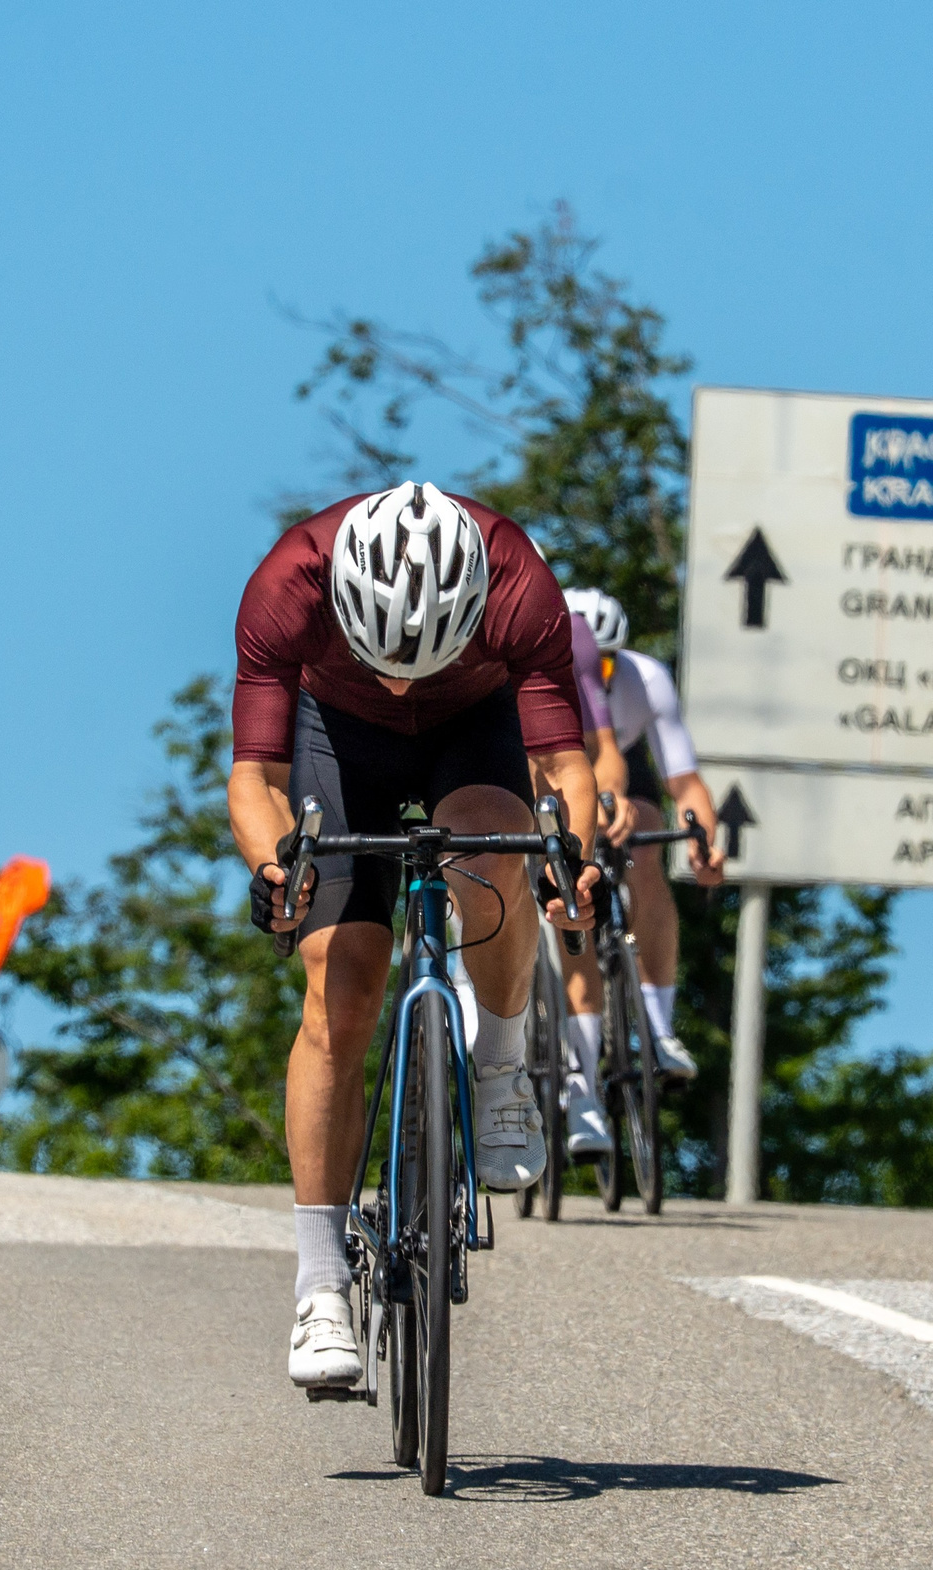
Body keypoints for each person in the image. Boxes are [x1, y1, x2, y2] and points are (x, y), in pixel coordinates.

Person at [227, 481, 601, 1388]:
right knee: (341, 987)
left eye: (421, 656)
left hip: (474, 726)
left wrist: (571, 863)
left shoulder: (520, 581)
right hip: (336, 736)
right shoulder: (289, 582)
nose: (400, 678)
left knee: (493, 855)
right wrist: (276, 868)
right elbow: (256, 777)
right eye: (383, 655)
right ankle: (320, 1283)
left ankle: (503, 1061)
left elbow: (563, 765)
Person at [559, 587, 724, 1126]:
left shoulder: (646, 678)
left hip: (620, 758)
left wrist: (703, 840)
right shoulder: (547, 672)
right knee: (572, 880)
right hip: (559, 752)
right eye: (593, 663)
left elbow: (686, 781)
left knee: (648, 846)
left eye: (609, 663)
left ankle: (659, 1027)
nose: (601, 676)